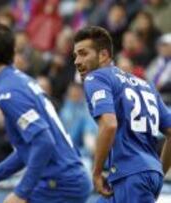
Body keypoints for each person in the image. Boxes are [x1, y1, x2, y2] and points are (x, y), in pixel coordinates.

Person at [0, 24, 92, 203]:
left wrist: (21, 193)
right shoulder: (21, 82)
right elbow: (30, 147)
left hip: (59, 184)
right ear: (13, 52)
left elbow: (44, 142)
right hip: (70, 179)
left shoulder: (9, 93)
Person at [73, 26, 171, 203]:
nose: (77, 61)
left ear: (103, 55)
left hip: (130, 177)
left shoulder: (96, 78)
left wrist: (96, 173)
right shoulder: (145, 85)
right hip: (132, 177)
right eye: (75, 55)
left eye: (83, 53)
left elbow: (109, 125)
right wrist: (157, 171)